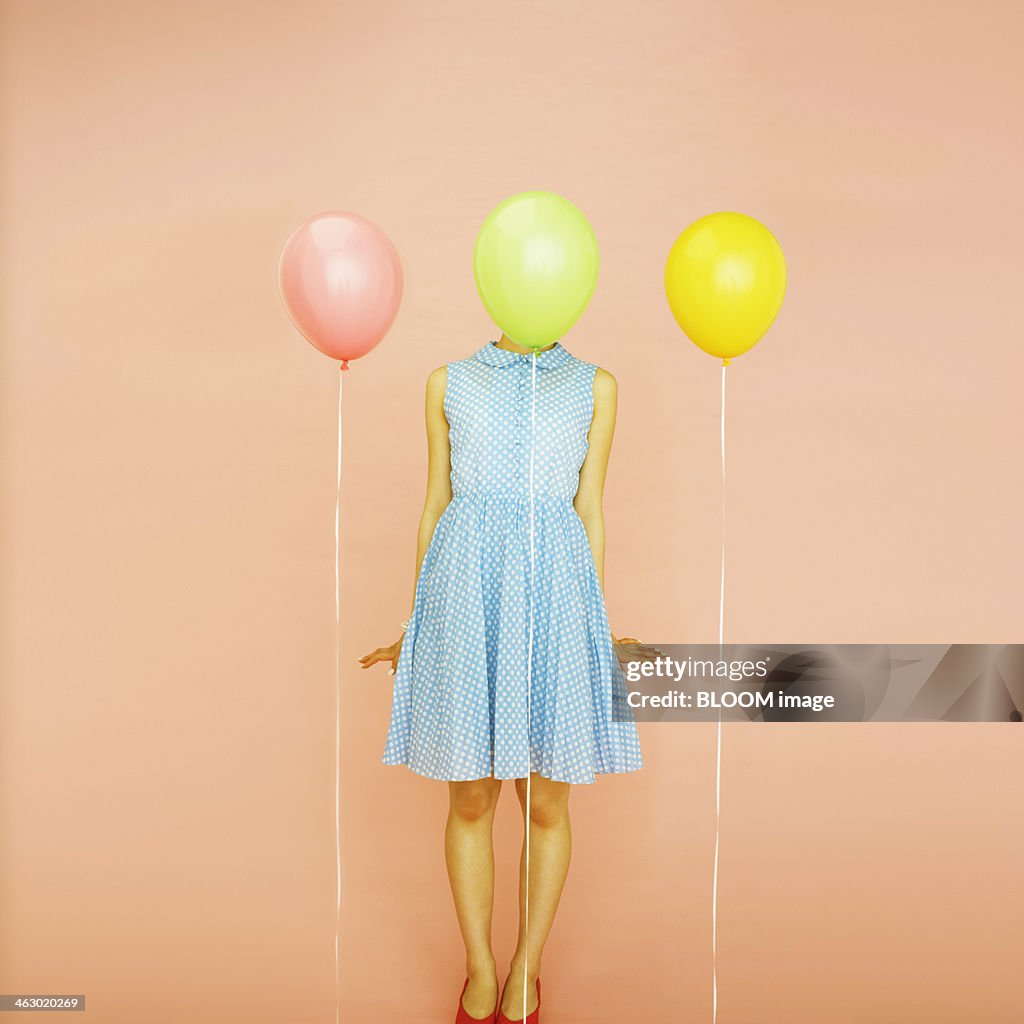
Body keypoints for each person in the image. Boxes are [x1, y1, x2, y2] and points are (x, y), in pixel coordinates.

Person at [360, 334, 653, 1023]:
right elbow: (435, 504)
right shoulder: (448, 380)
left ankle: (528, 966)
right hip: (467, 596)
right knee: (470, 797)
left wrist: (595, 626)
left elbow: (590, 511)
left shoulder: (595, 384)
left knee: (547, 803)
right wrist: (416, 623)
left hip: (554, 597)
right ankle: (480, 968)